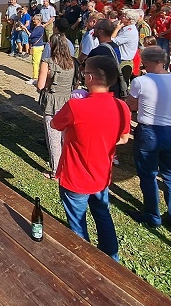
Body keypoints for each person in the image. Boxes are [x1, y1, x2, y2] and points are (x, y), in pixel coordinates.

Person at [51, 55, 131, 260]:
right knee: (103, 215)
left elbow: (55, 124)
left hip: (75, 177)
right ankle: (112, 258)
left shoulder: (76, 106)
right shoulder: (122, 107)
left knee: (78, 224)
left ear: (90, 77)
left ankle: (84, 262)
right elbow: (123, 138)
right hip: (101, 175)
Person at [126, 46, 171, 231]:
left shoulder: (141, 81)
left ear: (147, 61)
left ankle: (152, 214)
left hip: (149, 130)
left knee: (148, 174)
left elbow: (132, 104)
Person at [36, 34, 75, 179]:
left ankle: (56, 170)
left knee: (53, 138)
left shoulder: (48, 62)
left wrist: (42, 84)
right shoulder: (71, 63)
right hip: (67, 101)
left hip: (52, 102)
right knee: (66, 137)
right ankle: (68, 164)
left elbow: (40, 85)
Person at [88, 19, 124, 97]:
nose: (93, 29)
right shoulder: (115, 47)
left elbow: (84, 68)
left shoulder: (97, 51)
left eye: (95, 27)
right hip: (115, 89)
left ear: (101, 31)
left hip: (101, 91)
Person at [112, 9, 140, 90]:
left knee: (122, 87)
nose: (120, 17)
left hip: (124, 62)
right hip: (119, 60)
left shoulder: (129, 31)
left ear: (130, 20)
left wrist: (116, 29)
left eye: (123, 16)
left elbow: (113, 41)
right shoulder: (125, 29)